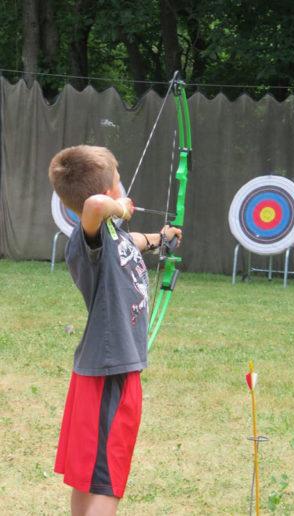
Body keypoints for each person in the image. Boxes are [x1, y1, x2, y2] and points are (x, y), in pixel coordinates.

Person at [48, 145, 182, 516]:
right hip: (113, 371)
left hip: (102, 369)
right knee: (108, 480)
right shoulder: (89, 234)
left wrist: (159, 238)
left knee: (89, 475)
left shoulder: (111, 234)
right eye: (119, 182)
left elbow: (131, 242)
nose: (125, 190)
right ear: (108, 193)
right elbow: (93, 206)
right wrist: (120, 206)